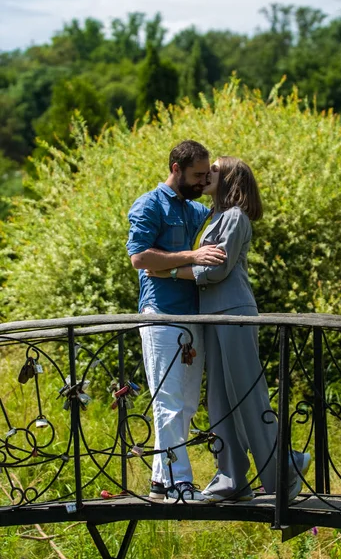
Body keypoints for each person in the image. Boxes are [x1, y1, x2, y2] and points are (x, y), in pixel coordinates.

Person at [146, 156, 311, 502]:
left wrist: (169, 271)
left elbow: (215, 270)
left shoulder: (235, 218)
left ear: (230, 178)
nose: (208, 174)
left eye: (215, 170)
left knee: (248, 397)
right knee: (219, 401)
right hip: (212, 316)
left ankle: (284, 472)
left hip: (235, 313)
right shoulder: (213, 217)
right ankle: (232, 477)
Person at [126, 140, 226, 503]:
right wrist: (191, 256)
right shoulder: (149, 204)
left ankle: (159, 481)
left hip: (191, 314)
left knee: (184, 404)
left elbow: (225, 216)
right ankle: (179, 484)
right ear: (175, 168)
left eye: (206, 175)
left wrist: (222, 181)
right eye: (197, 175)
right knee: (168, 400)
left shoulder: (195, 209)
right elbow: (139, 258)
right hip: (161, 315)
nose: (202, 181)